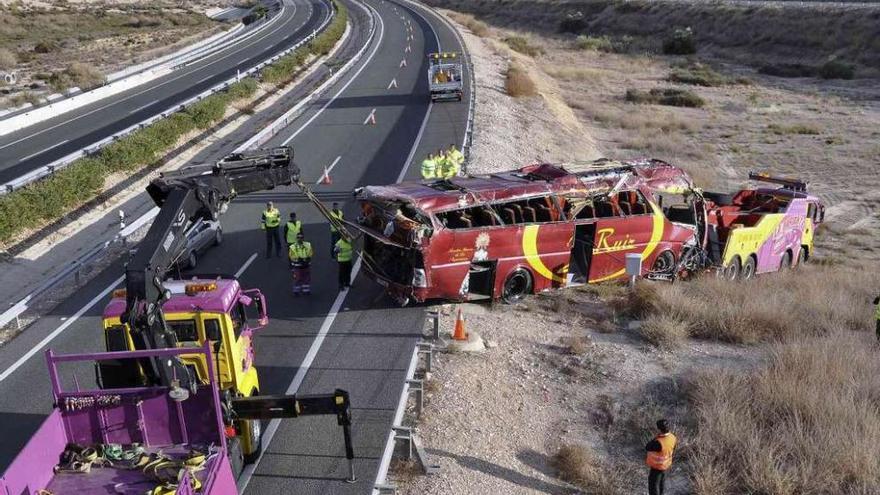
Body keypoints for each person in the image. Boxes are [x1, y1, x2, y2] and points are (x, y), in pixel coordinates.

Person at [645, 419, 677, 495]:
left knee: (654, 487)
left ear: (659, 429)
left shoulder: (659, 442)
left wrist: (657, 437)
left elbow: (647, 447)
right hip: (665, 466)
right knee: (661, 485)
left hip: (657, 467)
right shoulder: (673, 437)